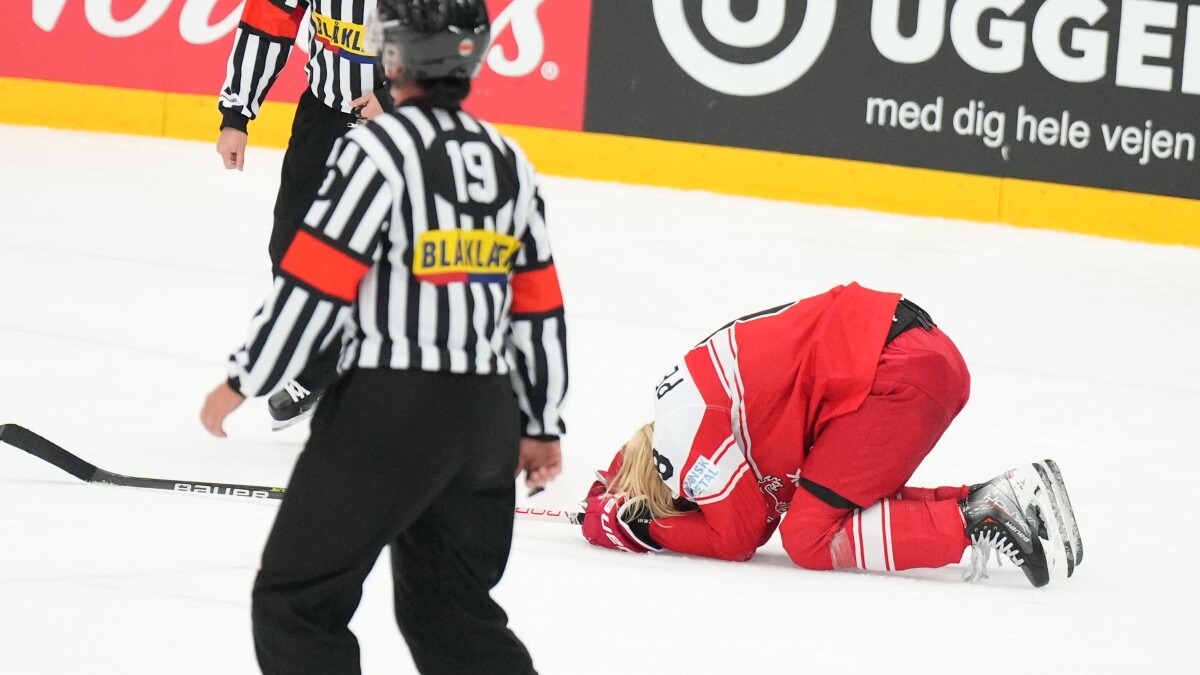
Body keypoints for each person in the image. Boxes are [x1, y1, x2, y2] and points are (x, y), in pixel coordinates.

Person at [201, 1, 567, 671]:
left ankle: (310, 376)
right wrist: (541, 419)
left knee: (296, 602)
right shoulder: (510, 159)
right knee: (451, 613)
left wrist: (243, 379)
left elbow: (314, 283)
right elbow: (539, 306)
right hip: (487, 416)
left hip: (388, 410)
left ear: (391, 56)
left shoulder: (378, 151)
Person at [579, 282, 1082, 588]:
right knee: (831, 502)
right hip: (912, 356)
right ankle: (993, 499)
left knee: (808, 537)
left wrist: (639, 528)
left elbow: (737, 536)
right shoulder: (680, 402)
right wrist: (609, 493)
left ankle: (976, 517)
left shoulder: (679, 437)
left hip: (893, 372)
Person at [217, 0, 396, 429]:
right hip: (322, 117)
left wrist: (395, 99)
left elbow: (452, 35)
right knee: (291, 248)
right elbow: (268, 24)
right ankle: (323, 371)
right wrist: (236, 116)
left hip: (396, 127)